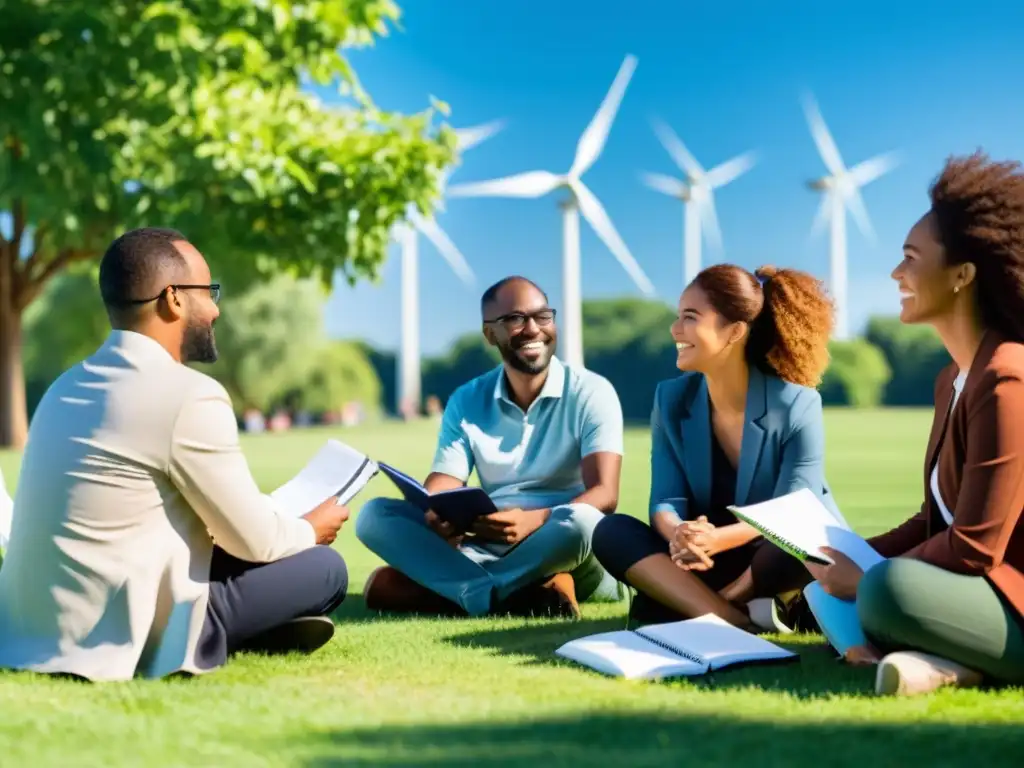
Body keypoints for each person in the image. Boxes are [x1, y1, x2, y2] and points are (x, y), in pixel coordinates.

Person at [0, 227, 350, 682]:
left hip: (31, 625)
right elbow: (256, 541)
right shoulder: (188, 395)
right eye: (209, 291)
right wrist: (311, 528)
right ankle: (219, 635)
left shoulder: (61, 389)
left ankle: (263, 625)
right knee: (325, 569)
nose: (216, 307)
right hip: (122, 626)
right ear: (174, 299)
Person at [808, 152, 1024, 696]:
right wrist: (853, 554)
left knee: (887, 590)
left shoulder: (1008, 380)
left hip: (1012, 600)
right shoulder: (952, 377)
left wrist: (868, 575)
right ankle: (946, 667)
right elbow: (936, 518)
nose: (896, 273)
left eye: (910, 258)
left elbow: (974, 547)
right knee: (828, 585)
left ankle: (925, 653)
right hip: (974, 596)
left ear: (962, 275)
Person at [356, 276, 625, 618]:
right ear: (490, 334)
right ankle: (503, 592)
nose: (532, 329)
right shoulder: (467, 399)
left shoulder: (592, 391)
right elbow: (445, 478)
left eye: (542, 316)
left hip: (561, 543)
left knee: (585, 521)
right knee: (374, 515)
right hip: (486, 541)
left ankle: (459, 590)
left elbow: (605, 493)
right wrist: (437, 510)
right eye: (514, 319)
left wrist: (535, 520)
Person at [592, 263, 841, 631]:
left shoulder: (797, 404)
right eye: (678, 316)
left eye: (691, 317)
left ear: (735, 331)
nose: (676, 330)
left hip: (771, 553)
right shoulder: (671, 398)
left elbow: (792, 508)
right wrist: (679, 533)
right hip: (700, 558)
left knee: (803, 544)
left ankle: (694, 604)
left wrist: (718, 539)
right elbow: (665, 499)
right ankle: (736, 618)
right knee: (611, 531)